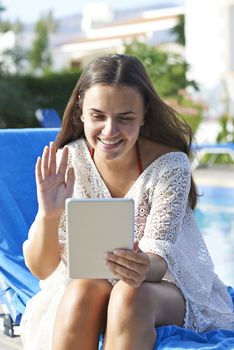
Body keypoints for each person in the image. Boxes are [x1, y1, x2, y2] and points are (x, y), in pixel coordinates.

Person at [20, 54, 234, 350]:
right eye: (98, 116)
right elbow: (42, 270)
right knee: (83, 289)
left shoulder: (169, 165)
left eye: (125, 118)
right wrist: (49, 214)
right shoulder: (66, 162)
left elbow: (160, 260)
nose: (110, 131)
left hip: (161, 289)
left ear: (144, 113)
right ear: (81, 110)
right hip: (85, 289)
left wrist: (142, 265)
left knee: (129, 294)